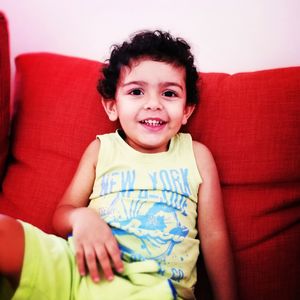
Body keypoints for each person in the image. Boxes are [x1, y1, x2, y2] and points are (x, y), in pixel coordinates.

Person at [0, 30, 237, 300]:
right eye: (136, 91)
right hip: (78, 270)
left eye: (169, 93)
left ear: (186, 111)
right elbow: (62, 214)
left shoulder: (196, 155)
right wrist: (82, 217)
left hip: (152, 288)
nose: (153, 104)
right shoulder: (102, 149)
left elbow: (215, 237)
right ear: (112, 106)